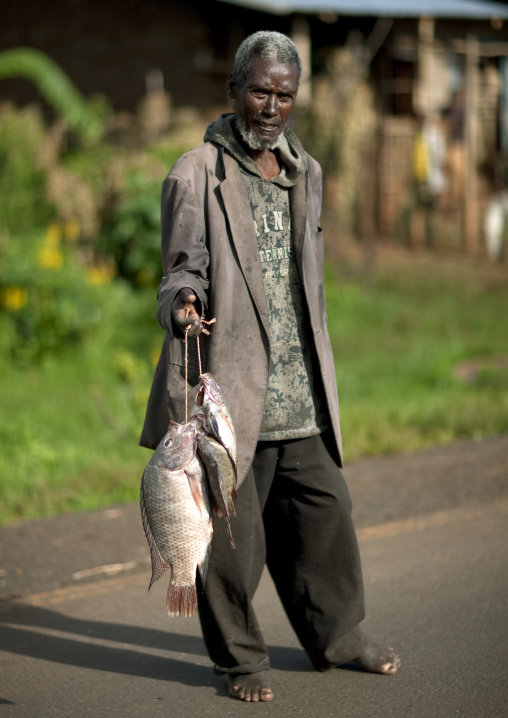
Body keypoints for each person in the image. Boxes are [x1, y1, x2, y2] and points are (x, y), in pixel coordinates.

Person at [140, 30, 400, 702]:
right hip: (230, 393)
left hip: (301, 390)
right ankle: (240, 662)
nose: (270, 107)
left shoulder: (304, 172)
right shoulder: (195, 171)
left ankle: (340, 640)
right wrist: (184, 303)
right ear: (234, 89)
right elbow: (179, 269)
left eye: (284, 95)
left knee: (326, 519)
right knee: (230, 540)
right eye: (260, 91)